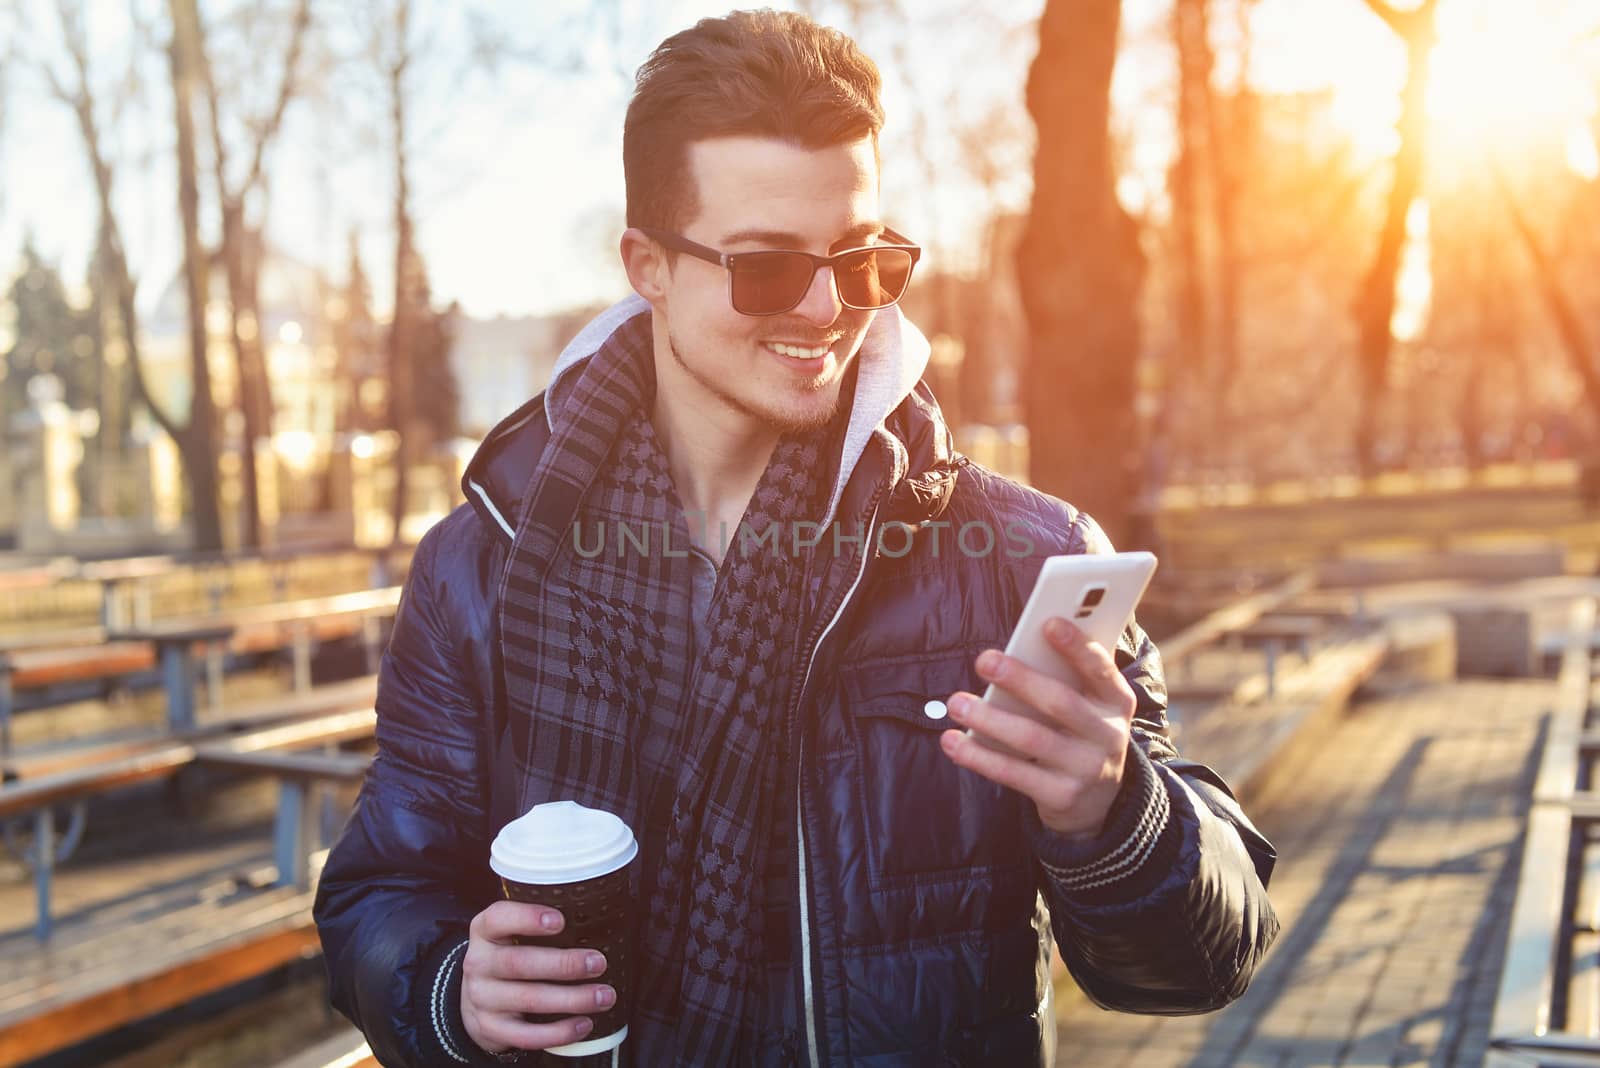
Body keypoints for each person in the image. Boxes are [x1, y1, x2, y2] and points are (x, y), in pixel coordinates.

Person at [313, 9, 1280, 1066]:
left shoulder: (1020, 558)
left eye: (862, 258)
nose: (826, 307)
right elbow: (380, 892)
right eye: (767, 268)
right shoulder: (478, 567)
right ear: (647, 265)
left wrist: (1111, 813)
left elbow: (1201, 966)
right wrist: (454, 990)